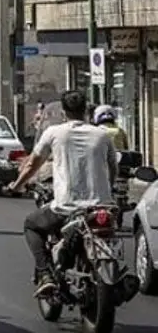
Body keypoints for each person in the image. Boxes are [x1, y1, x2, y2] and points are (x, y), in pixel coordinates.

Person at [8, 90, 117, 295]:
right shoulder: (102, 135)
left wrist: (17, 184)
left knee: (32, 224)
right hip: (102, 207)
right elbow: (112, 167)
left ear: (64, 112)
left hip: (67, 208)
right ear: (86, 110)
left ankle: (45, 274)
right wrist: (108, 192)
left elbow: (33, 163)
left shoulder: (54, 133)